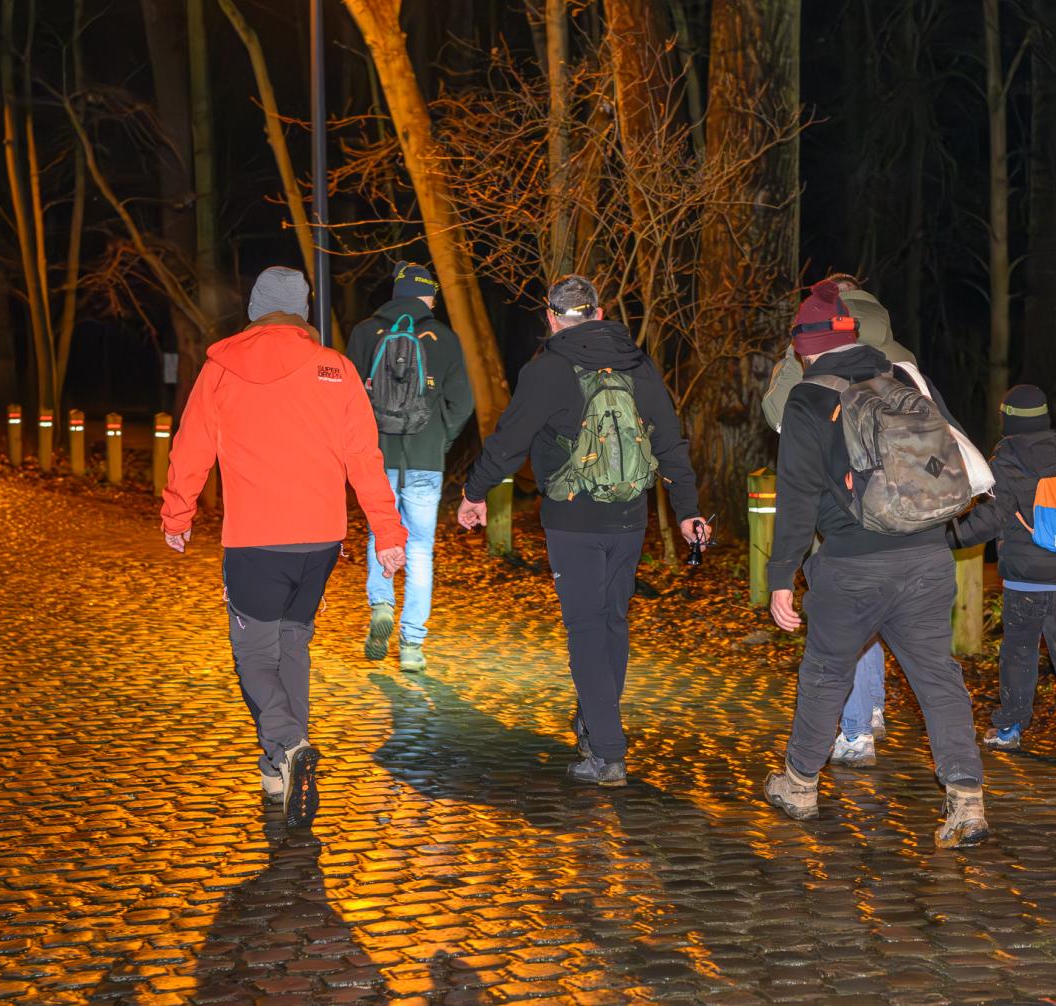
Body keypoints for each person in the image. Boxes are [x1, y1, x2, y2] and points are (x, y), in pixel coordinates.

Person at [160, 266, 408, 828]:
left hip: (255, 540)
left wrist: (178, 512)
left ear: (254, 309)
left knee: (254, 655)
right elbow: (365, 457)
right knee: (293, 646)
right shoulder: (336, 369)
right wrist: (387, 532)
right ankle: (278, 767)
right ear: (303, 312)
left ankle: (288, 742)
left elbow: (191, 446)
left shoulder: (221, 369)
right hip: (320, 540)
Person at [457, 275, 710, 787]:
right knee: (613, 622)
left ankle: (607, 751)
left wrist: (474, 492)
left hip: (572, 518)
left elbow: (509, 441)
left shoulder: (547, 369)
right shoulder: (638, 363)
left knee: (587, 629)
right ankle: (596, 723)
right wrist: (687, 511)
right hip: (630, 515)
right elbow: (669, 440)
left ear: (551, 317)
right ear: (598, 313)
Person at [763, 279, 988, 849]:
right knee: (938, 677)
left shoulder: (808, 399)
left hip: (852, 566)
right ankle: (966, 799)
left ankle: (799, 784)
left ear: (803, 349)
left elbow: (796, 498)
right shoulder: (903, 380)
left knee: (826, 672)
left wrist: (781, 577)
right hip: (927, 558)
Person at [760, 273, 916, 768]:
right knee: (897, 629)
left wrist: (794, 360)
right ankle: (874, 709)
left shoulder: (814, 358)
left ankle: (851, 732)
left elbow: (778, 415)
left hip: (845, 511)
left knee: (845, 621)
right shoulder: (899, 354)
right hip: (907, 515)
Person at [952, 384, 1056, 768]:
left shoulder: (1005, 463)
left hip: (1026, 580)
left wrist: (946, 536)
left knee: (1019, 652)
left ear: (1007, 420)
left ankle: (1009, 729)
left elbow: (987, 520)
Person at [344, 261, 475, 673]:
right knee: (419, 547)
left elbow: (348, 399)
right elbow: (463, 403)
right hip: (425, 460)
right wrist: (441, 439)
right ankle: (413, 644)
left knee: (379, 532)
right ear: (428, 297)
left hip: (376, 457)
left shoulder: (365, 333)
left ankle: (381, 603)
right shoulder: (445, 338)